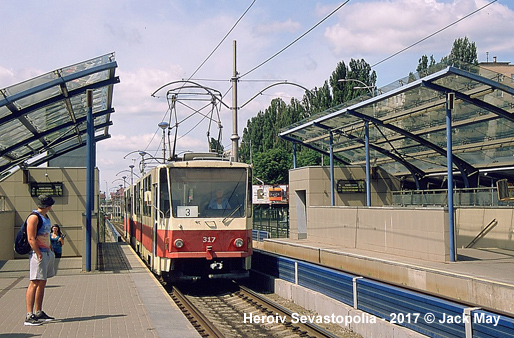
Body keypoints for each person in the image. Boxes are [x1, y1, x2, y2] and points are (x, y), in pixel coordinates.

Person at [24, 194, 56, 326]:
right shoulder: (33, 217)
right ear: (48, 205)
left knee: (42, 282)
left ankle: (39, 311)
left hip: (46, 252)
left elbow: (45, 235)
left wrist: (50, 248)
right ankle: (29, 315)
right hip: (38, 254)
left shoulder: (45, 217)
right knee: (34, 282)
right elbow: (31, 238)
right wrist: (38, 253)